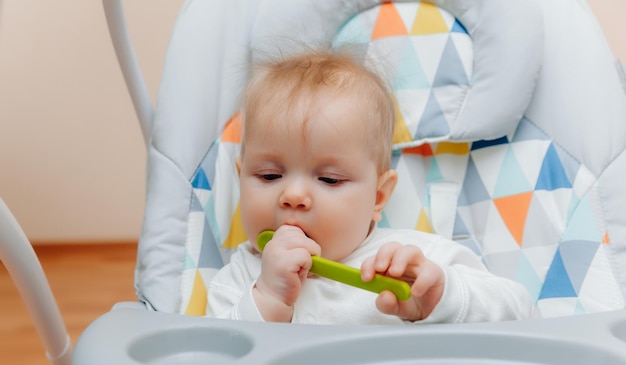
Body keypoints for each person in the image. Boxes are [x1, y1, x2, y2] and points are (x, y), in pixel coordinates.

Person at [206, 50, 532, 324]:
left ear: (378, 197)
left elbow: (520, 311)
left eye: (329, 179)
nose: (292, 196)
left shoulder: (410, 263)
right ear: (241, 178)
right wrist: (268, 298)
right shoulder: (241, 278)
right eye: (268, 176)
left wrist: (441, 298)